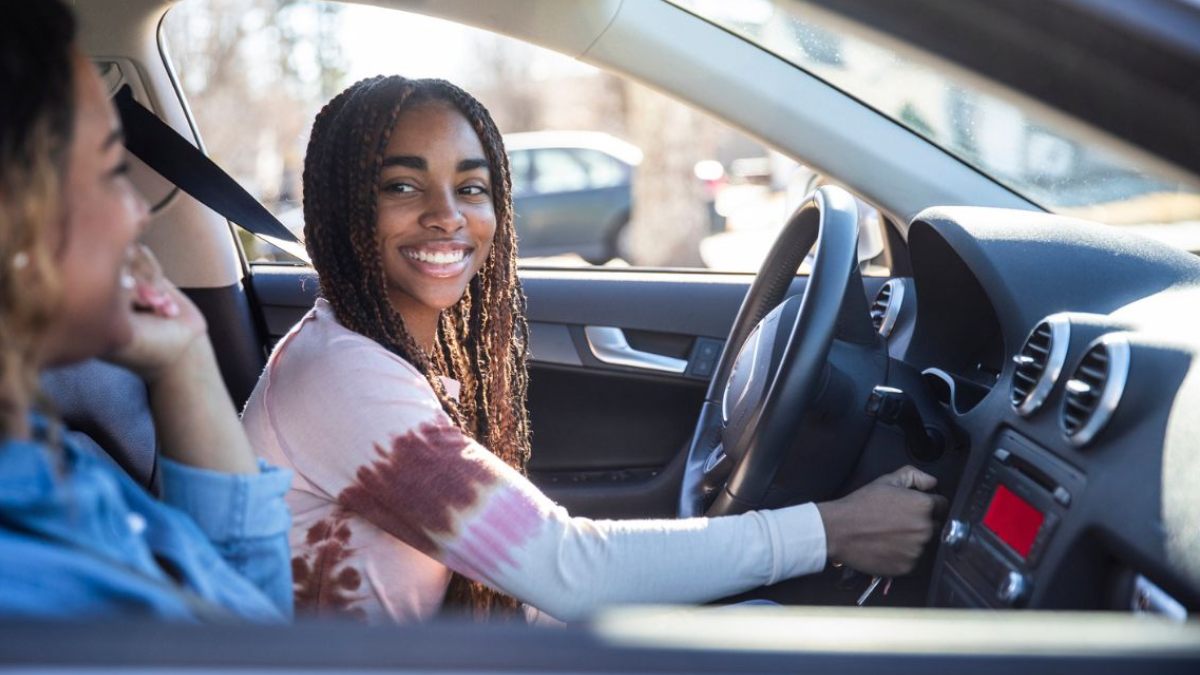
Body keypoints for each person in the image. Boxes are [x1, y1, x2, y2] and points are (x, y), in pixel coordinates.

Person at [242, 75, 945, 623]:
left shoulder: (368, 353)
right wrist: (832, 530)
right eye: (402, 185)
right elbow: (565, 567)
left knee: (757, 629)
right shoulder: (342, 377)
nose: (448, 214)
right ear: (341, 206)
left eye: (472, 187)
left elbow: (540, 581)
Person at [0, 0, 292, 621]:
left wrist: (183, 357)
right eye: (112, 170)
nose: (137, 214)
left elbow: (248, 621)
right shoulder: (34, 594)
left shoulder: (44, 453)